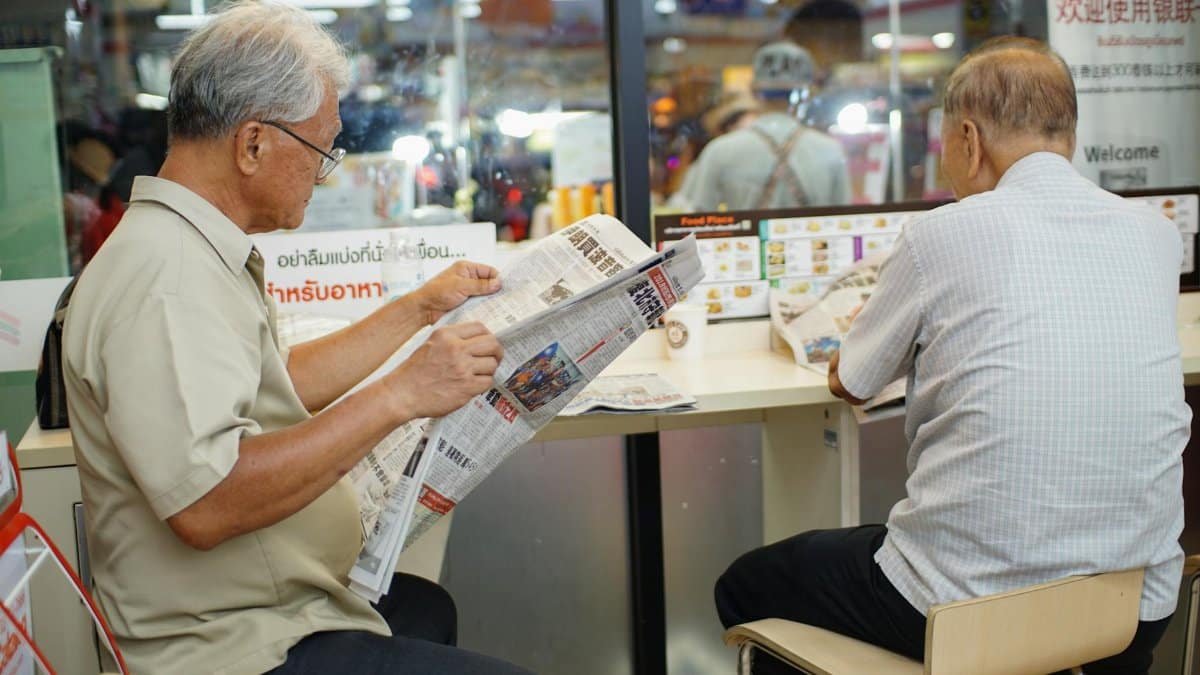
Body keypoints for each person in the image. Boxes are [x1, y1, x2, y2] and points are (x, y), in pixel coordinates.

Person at [62, 4, 529, 674]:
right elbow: (206, 501)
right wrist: (402, 393)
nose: (326, 170)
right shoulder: (164, 278)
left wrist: (418, 309)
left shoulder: (188, 248)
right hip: (239, 645)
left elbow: (271, 383)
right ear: (252, 143)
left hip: (274, 603)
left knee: (428, 607)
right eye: (320, 149)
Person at [714, 36, 1189, 675]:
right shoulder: (1155, 237)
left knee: (747, 584)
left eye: (942, 147)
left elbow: (850, 381)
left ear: (968, 138)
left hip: (967, 608)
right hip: (1133, 612)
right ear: (1068, 137)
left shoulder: (942, 234)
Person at [675, 41, 850, 211]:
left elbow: (696, 217)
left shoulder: (720, 150)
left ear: (753, 91)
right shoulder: (830, 151)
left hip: (743, 241)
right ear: (807, 95)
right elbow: (843, 220)